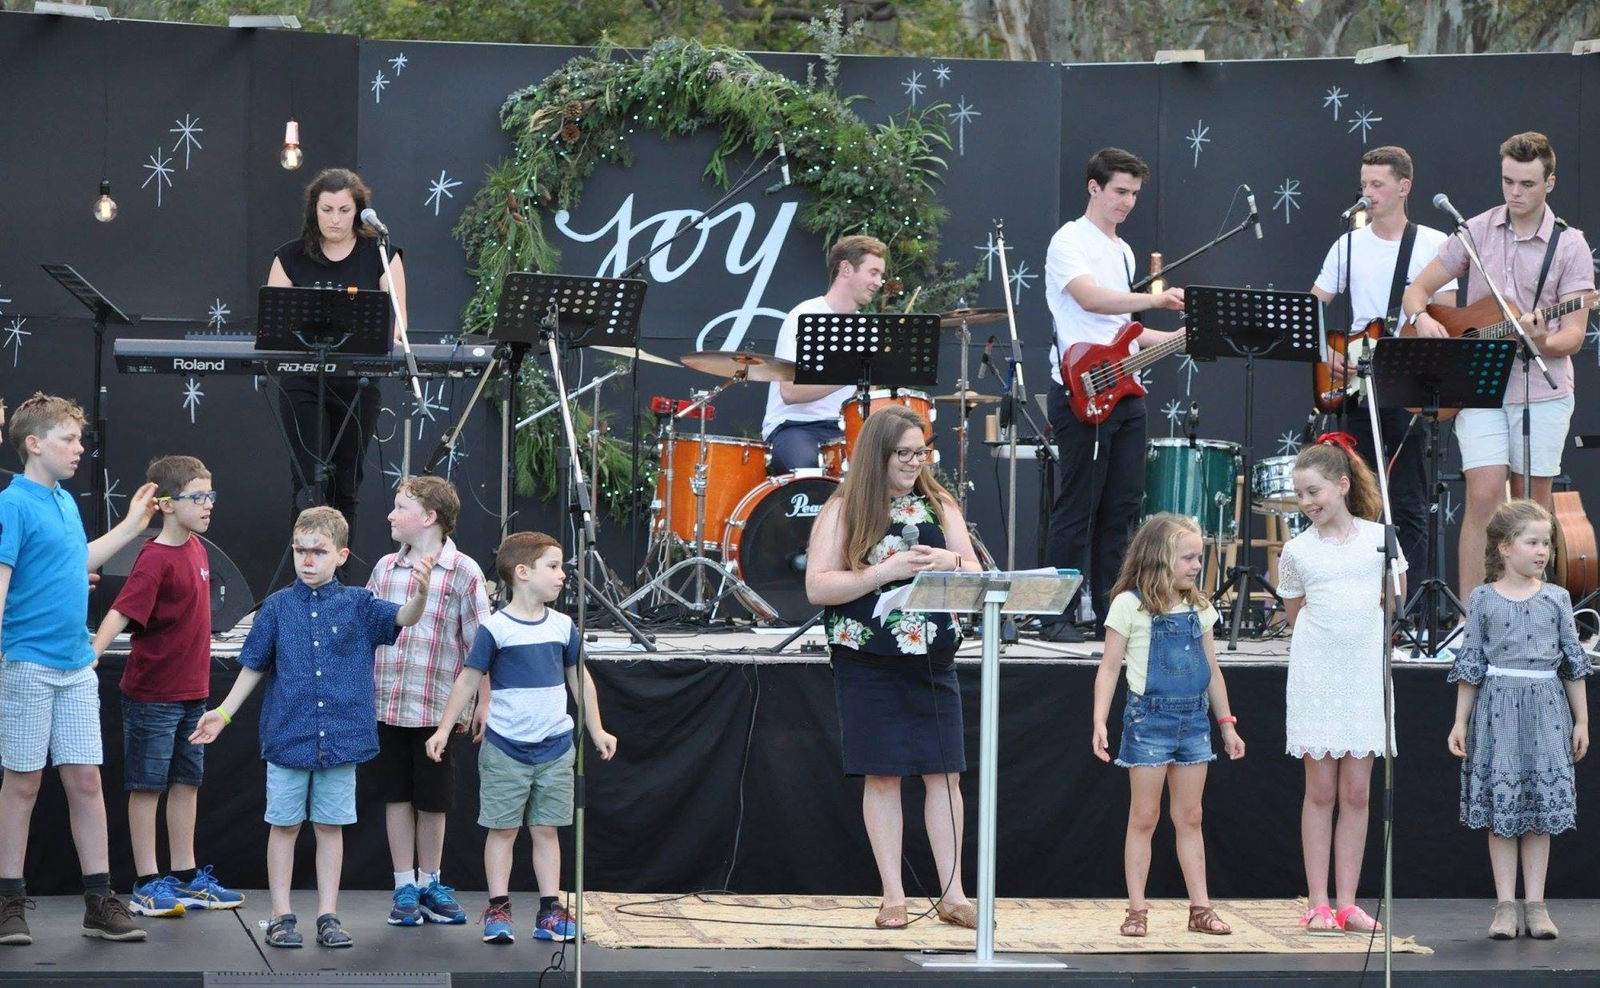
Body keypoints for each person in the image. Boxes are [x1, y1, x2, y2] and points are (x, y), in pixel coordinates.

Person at [189, 507, 433, 949]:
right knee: (283, 826)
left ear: (341, 555)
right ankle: (282, 914)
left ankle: (327, 914)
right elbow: (252, 666)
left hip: (340, 740)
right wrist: (222, 714)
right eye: (300, 550)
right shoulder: (278, 607)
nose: (306, 560)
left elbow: (406, 619)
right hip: (288, 737)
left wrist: (420, 595)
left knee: (328, 827)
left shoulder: (360, 603)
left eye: (317, 552)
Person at [804, 405, 982, 930]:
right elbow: (818, 586)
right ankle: (893, 896)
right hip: (868, 659)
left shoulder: (938, 502)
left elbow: (975, 570)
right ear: (877, 455)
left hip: (932, 656)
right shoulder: (844, 507)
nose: (912, 462)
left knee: (944, 774)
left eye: (919, 452)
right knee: (882, 775)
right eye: (902, 453)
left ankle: (954, 893)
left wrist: (948, 562)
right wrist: (884, 571)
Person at [1400, 132, 1594, 603]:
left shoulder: (1570, 245)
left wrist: (1539, 336)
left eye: (1527, 183)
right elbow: (1417, 289)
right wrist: (1422, 317)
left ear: (1550, 182)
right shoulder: (1476, 229)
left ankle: (1530, 610)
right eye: (1508, 181)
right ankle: (1473, 614)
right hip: (1478, 385)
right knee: (1484, 494)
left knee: (1531, 504)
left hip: (1541, 390)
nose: (1515, 192)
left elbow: (1570, 336)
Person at [0, 393, 159, 946]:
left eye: (80, 439)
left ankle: (98, 900)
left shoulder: (64, 502)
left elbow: (76, 562)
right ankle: (8, 902)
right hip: (26, 663)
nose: (79, 449)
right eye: (68, 439)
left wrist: (133, 525)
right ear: (34, 444)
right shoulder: (12, 505)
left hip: (75, 665)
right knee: (21, 784)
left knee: (86, 780)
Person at [425, 531, 618, 946]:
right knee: (504, 830)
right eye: (554, 566)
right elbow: (468, 680)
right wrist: (444, 728)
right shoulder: (496, 628)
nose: (562, 575)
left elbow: (579, 678)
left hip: (554, 747)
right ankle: (499, 908)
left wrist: (596, 727)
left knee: (547, 829)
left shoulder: (564, 626)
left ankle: (550, 910)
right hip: (506, 748)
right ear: (522, 572)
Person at [1041, 147, 1185, 643]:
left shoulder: (1123, 251)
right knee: (1078, 504)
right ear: (1093, 187)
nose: (1127, 203)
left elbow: (1123, 329)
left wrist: (1184, 337)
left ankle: (1112, 615)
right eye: (1120, 191)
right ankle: (1056, 615)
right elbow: (1088, 298)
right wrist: (1155, 299)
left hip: (1124, 388)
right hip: (1080, 387)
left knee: (1122, 507)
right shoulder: (1069, 241)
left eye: (1134, 194)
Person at [89, 456, 244, 918]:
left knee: (187, 783)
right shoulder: (154, 557)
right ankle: (147, 882)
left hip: (192, 694)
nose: (207, 504)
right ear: (167, 504)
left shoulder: (198, 550)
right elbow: (120, 612)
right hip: (152, 696)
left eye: (210, 496)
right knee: (147, 786)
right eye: (197, 497)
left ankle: (183, 875)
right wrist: (89, 657)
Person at [1091, 513, 1244, 938]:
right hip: (1148, 721)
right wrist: (1099, 719)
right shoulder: (1129, 605)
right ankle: (1137, 909)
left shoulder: (1201, 607)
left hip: (1194, 721)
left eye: (1199, 558)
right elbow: (1108, 668)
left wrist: (1226, 725)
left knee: (1190, 815)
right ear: (1160, 558)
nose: (1197, 565)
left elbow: (1212, 670)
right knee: (1144, 816)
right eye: (1188, 558)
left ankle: (1201, 908)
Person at [1309, 145, 1455, 584]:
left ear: (1403, 187)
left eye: (1377, 184)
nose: (1367, 193)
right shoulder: (1347, 244)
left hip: (1408, 380)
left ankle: (1405, 604)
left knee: (1408, 495)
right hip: (1355, 382)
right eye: (1364, 184)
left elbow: (1445, 314)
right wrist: (1325, 351)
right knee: (1354, 492)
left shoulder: (1432, 243)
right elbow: (1314, 307)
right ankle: (1357, 592)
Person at [1447, 499, 1590, 940]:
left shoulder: (1557, 598)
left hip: (1546, 709)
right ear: (1506, 547)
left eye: (1546, 542)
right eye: (1532, 542)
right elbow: (1472, 664)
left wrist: (1581, 720)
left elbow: (1572, 662)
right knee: (1502, 811)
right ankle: (1505, 906)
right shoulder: (1483, 599)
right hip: (1498, 712)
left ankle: (1537, 905)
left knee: (1541, 813)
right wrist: (1459, 722)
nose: (1542, 550)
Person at [1277, 436, 1403, 934]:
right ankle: (1318, 901)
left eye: (1314, 492)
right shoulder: (1297, 550)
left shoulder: (1380, 538)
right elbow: (1293, 613)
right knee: (1321, 790)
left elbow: (1393, 602)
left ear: (1343, 485)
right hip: (1318, 674)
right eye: (1300, 496)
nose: (1307, 504)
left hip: (1363, 675)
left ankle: (1349, 902)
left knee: (1356, 791)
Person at [367, 475, 491, 928]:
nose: (391, 515)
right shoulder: (385, 568)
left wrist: (482, 701)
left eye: (401, 507)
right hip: (388, 700)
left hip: (437, 706)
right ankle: (404, 884)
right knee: (396, 794)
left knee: (433, 799)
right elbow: (369, 625)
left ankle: (430, 882)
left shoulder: (464, 571)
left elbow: (482, 644)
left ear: (430, 517)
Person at [267, 167, 407, 544]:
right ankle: (306, 569)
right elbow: (274, 325)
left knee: (346, 482)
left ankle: (340, 581)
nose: (335, 219)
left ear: (359, 212)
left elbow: (397, 325)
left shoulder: (381, 253)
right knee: (308, 482)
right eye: (327, 209)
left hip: (357, 383)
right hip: (302, 381)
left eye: (344, 210)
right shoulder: (289, 256)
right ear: (314, 210)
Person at [761, 235, 886, 474]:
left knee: (883, 470)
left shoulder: (864, 328)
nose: (879, 282)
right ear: (846, 269)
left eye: (880, 274)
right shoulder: (805, 316)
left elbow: (862, 396)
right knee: (810, 471)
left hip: (843, 428)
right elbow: (790, 392)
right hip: (794, 426)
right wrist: (850, 373)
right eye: (873, 272)